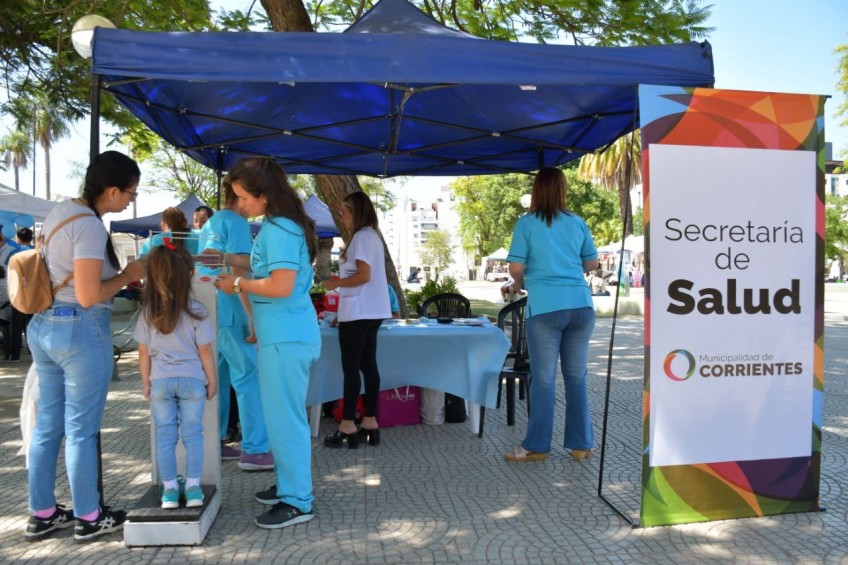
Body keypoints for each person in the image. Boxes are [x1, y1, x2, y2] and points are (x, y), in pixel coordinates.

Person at [26, 150, 147, 542]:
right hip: (79, 329)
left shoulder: (61, 211)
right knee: (81, 429)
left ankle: (42, 512)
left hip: (43, 326)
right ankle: (90, 517)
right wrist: (128, 275)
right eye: (130, 193)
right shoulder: (90, 227)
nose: (130, 200)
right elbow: (89, 294)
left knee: (48, 425)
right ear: (111, 190)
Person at [210, 157, 319, 530]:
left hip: (286, 337)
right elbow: (265, 271)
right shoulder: (278, 226)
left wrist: (238, 284)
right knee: (279, 416)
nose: (240, 205)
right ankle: (290, 484)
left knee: (285, 419)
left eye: (243, 198)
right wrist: (226, 259)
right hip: (282, 335)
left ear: (264, 195)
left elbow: (281, 285)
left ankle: (297, 500)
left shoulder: (280, 229)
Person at [503, 167, 599, 464]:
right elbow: (592, 264)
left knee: (544, 380)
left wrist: (518, 283)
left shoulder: (526, 223)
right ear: (563, 190)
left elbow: (516, 268)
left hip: (545, 308)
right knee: (576, 376)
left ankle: (537, 446)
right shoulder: (577, 222)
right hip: (581, 307)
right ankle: (581, 445)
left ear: (536, 191)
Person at [133, 244, 217, 509]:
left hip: (160, 381)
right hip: (192, 380)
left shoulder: (148, 313)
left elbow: (143, 353)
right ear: (186, 277)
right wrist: (212, 379)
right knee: (193, 435)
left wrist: (146, 382)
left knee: (165, 436)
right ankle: (193, 489)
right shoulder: (197, 311)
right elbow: (205, 350)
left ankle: (169, 491)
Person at [199, 180, 273, 470]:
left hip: (208, 309)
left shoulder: (212, 223)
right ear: (241, 196)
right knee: (248, 378)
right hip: (232, 310)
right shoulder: (237, 223)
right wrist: (252, 315)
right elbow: (238, 268)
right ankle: (255, 449)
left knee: (216, 379)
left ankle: (214, 442)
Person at [322, 192, 391, 449]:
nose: (342, 216)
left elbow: (363, 275)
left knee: (351, 369)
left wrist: (335, 284)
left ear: (357, 212)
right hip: (371, 310)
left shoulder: (361, 237)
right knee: (368, 365)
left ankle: (348, 424)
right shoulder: (372, 236)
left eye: (345, 211)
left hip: (359, 311)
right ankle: (370, 421)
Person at [5, 227, 35, 361]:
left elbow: (10, 273)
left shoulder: (14, 252)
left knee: (16, 325)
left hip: (18, 292)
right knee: (33, 323)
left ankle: (15, 355)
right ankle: (33, 351)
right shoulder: (38, 252)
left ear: (18, 238)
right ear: (31, 238)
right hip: (34, 292)